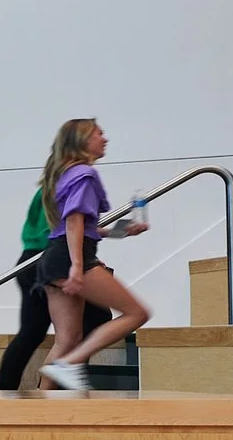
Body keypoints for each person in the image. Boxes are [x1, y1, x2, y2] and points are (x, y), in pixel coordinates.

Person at [36, 119, 152, 392]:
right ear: (82, 141)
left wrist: (119, 232)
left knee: (66, 339)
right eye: (98, 134)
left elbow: (80, 226)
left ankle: (38, 406)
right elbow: (75, 220)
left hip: (54, 257)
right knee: (137, 313)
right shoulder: (85, 174)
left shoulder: (65, 173)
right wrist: (77, 267)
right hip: (70, 257)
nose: (105, 139)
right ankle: (70, 363)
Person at [0, 180, 110, 391]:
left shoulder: (50, 187)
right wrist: (81, 262)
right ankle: (59, 382)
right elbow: (62, 230)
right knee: (93, 319)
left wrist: (112, 232)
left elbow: (71, 226)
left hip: (33, 260)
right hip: (48, 259)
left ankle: (9, 389)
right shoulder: (68, 185)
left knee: (34, 331)